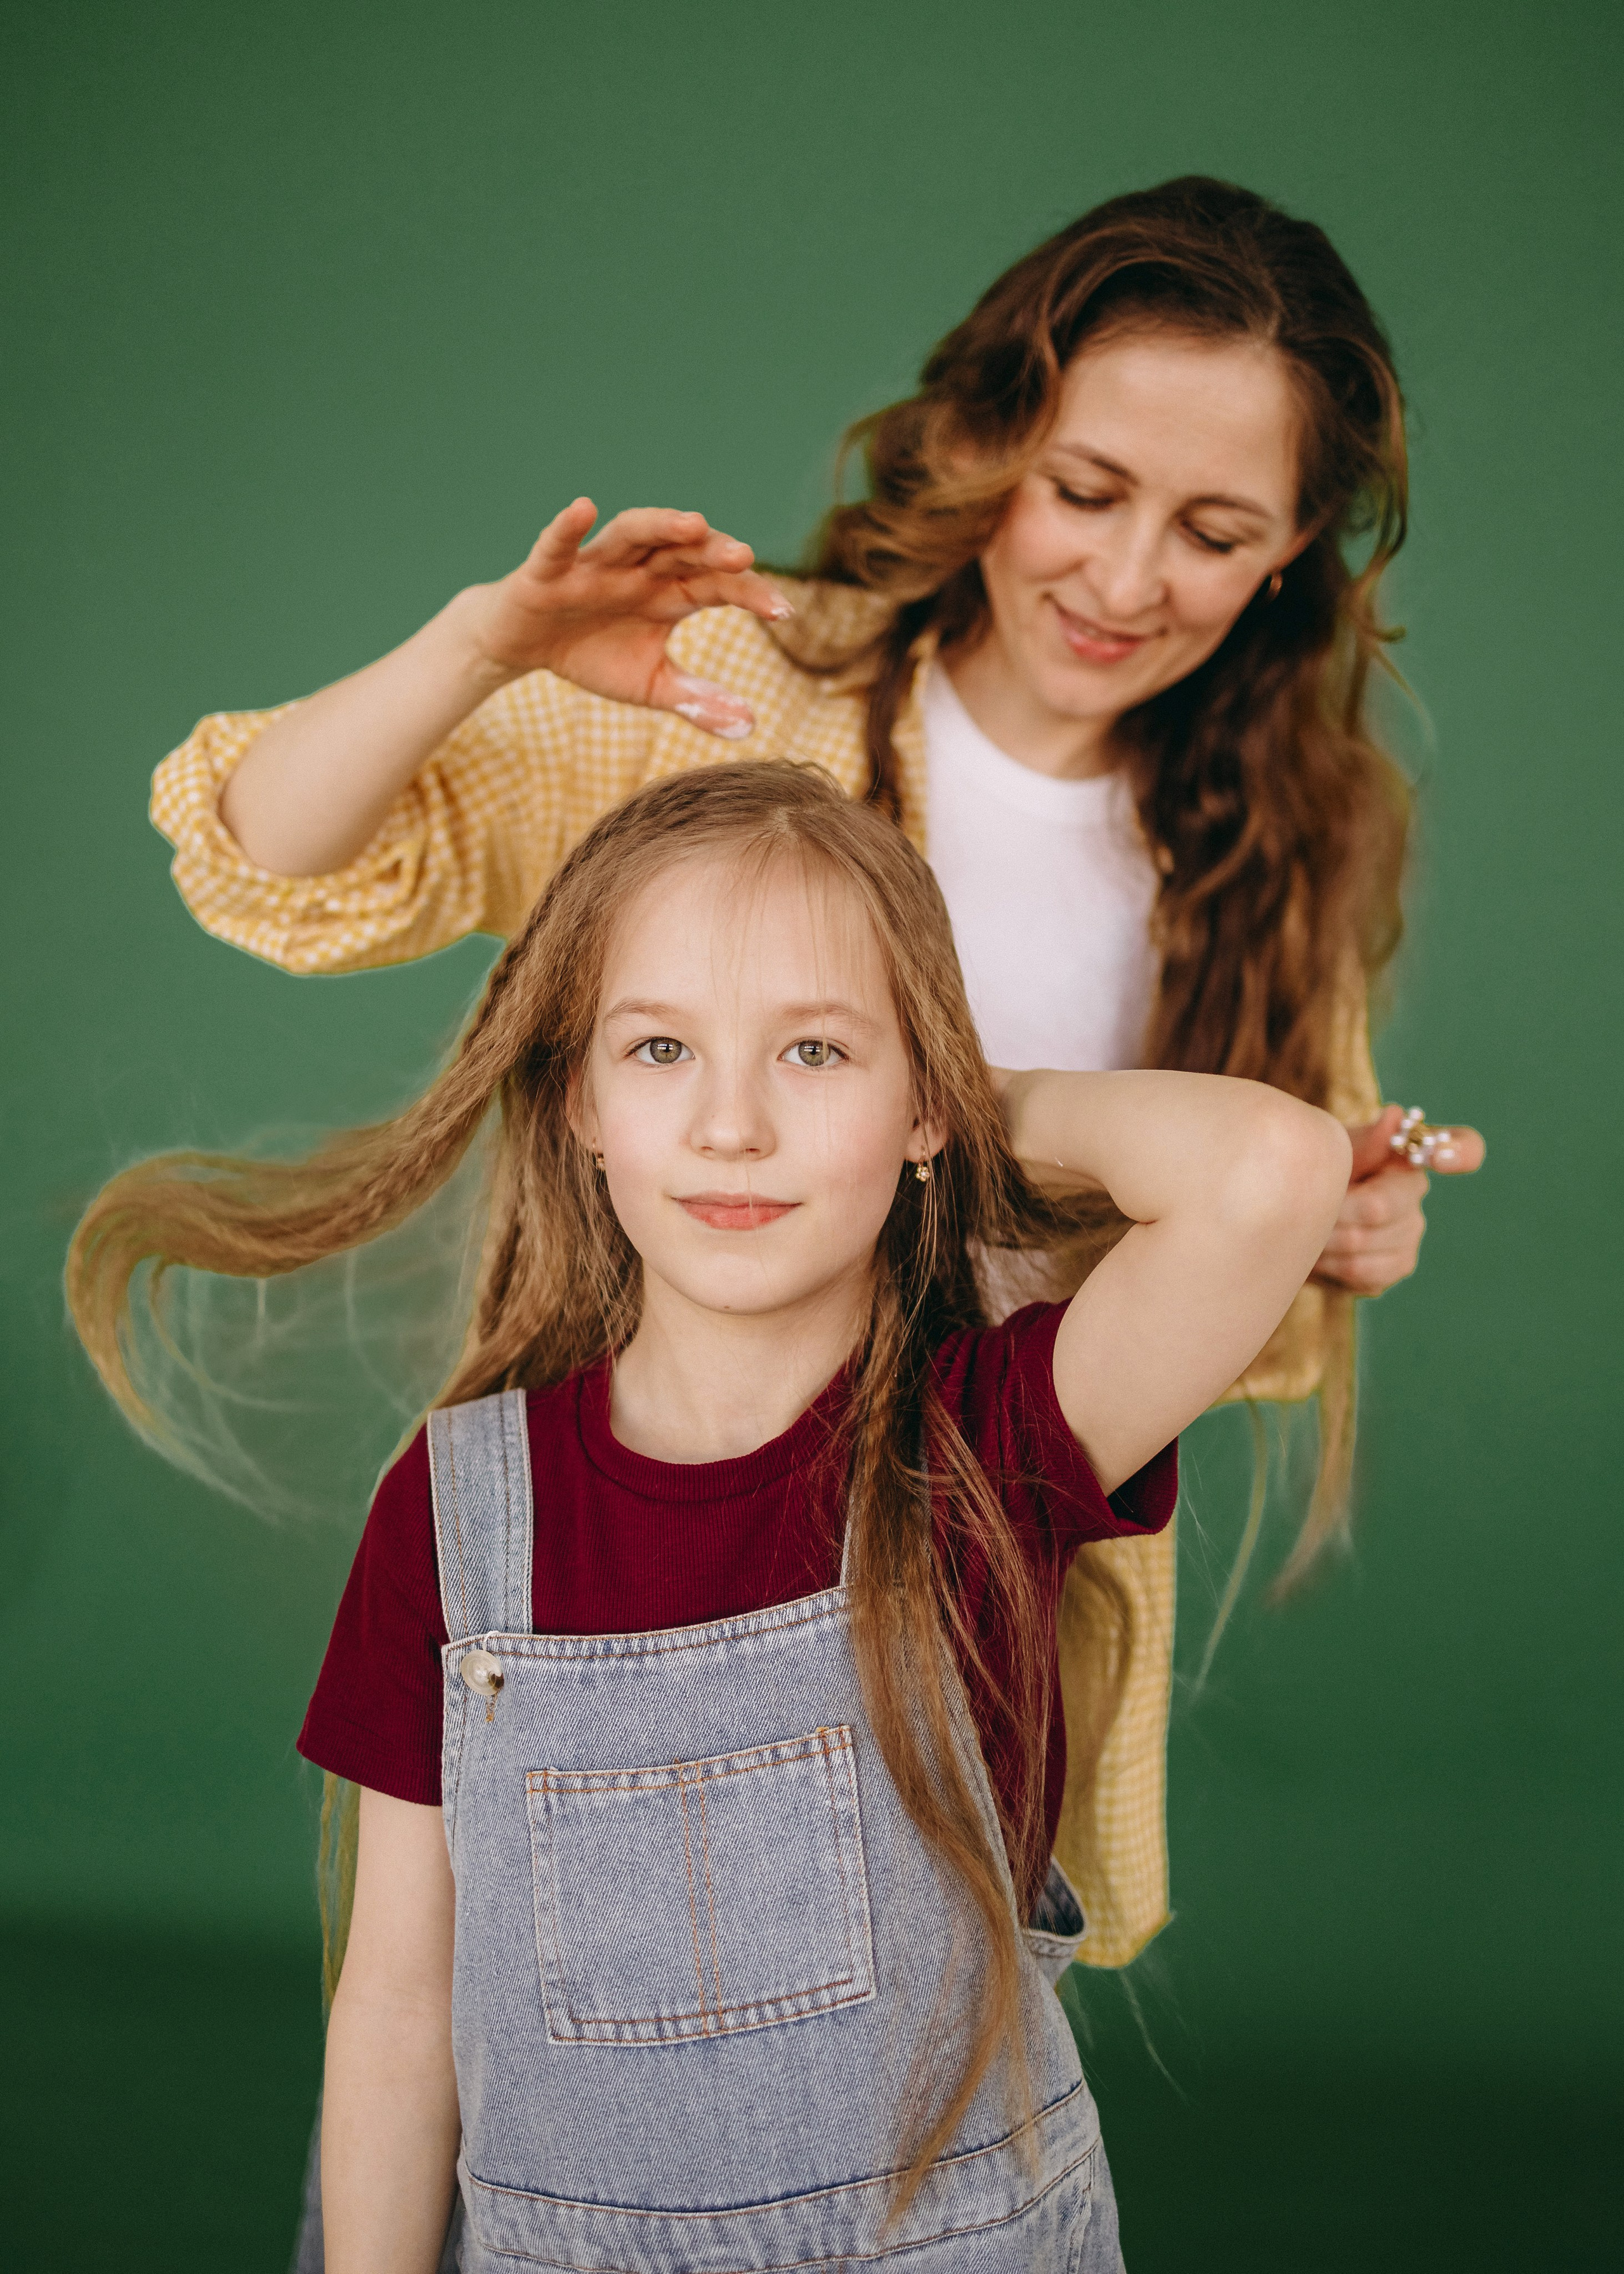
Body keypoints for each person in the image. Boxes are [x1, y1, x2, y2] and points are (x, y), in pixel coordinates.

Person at [147, 175, 1484, 1954]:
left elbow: (1223, 1285)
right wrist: (481, 649)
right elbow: (265, 856)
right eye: (1086, 490)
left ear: (1297, 548)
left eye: (1215, 529)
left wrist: (1338, 1225)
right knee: (545, 2019)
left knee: (928, 2058)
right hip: (648, 1524)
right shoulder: (726, 684)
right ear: (984, 443)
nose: (1125, 579)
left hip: (975, 1589)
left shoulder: (1280, 845)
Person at [69, 762, 1353, 2271]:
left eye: (814, 1050)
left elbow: (1272, 1170)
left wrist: (957, 1094)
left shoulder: (987, 1439)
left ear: (925, 1104)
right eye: (661, 1047)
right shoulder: (459, 1510)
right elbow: (400, 2005)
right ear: (580, 1103)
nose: (731, 1124)